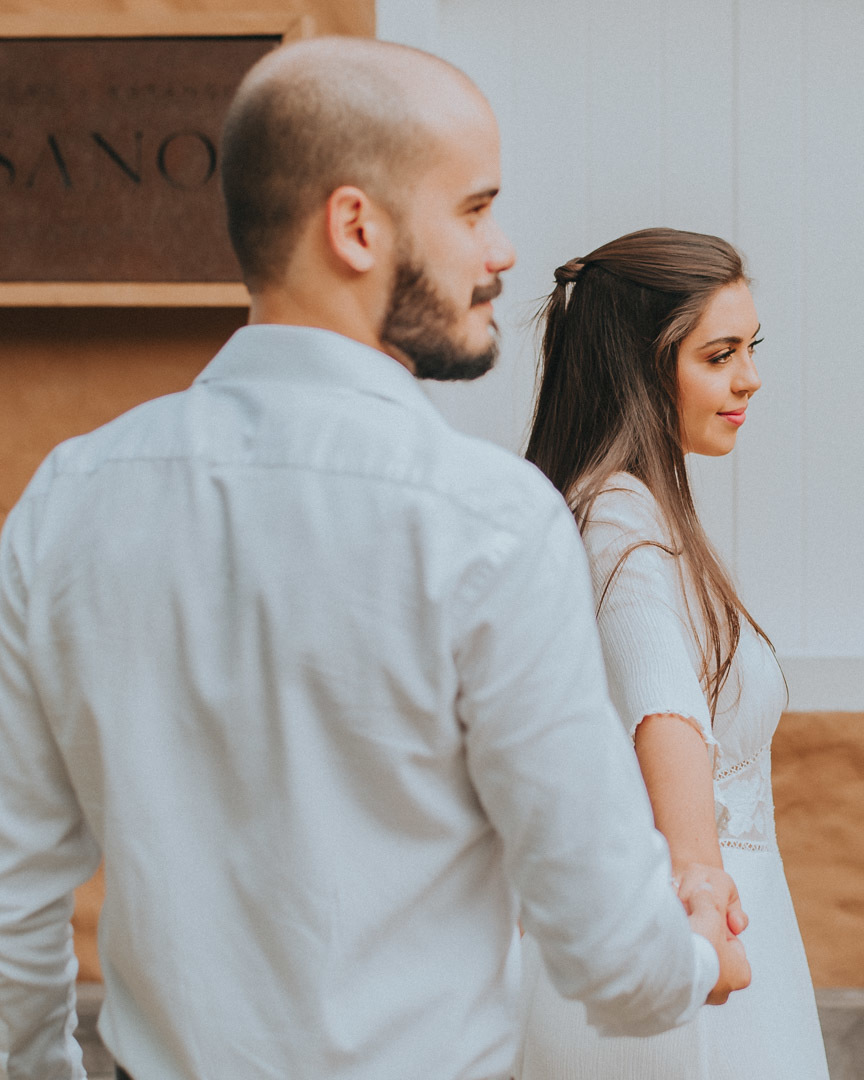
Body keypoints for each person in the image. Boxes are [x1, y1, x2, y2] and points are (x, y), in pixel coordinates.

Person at [0, 44, 742, 1080]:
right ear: (357, 228)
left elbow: (12, 893)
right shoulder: (487, 523)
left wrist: (42, 1070)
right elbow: (610, 955)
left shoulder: (64, 501)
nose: (503, 251)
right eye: (475, 210)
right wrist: (702, 952)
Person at [514, 228, 829, 1080]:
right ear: (641, 366)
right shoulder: (618, 515)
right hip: (690, 969)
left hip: (703, 947)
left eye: (750, 349)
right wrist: (696, 876)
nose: (749, 378)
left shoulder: (619, 508)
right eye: (719, 354)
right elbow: (664, 700)